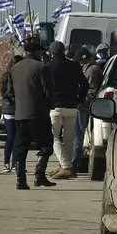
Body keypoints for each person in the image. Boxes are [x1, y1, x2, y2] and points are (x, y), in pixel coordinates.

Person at [10, 39, 56, 190]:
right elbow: (47, 90)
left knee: (20, 148)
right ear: (35, 52)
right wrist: (50, 105)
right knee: (46, 145)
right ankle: (39, 175)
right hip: (39, 114)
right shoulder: (41, 67)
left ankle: (20, 180)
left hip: (21, 114)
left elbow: (9, 92)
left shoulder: (14, 68)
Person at [46, 41, 88, 180]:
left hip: (55, 106)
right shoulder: (74, 66)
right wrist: (80, 99)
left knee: (53, 136)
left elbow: (45, 88)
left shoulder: (49, 67)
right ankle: (66, 167)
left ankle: (65, 166)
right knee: (69, 138)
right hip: (72, 106)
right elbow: (85, 85)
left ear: (51, 52)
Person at [72, 47, 102, 172]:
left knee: (78, 136)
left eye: (79, 61)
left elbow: (91, 91)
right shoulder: (90, 69)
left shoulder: (91, 70)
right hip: (85, 106)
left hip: (84, 107)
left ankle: (75, 164)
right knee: (79, 136)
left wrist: (79, 100)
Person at [0, 55, 23, 173]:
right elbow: (3, 93)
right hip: (9, 110)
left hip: (20, 109)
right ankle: (6, 162)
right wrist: (14, 99)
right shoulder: (6, 76)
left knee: (18, 138)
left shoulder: (22, 76)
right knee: (11, 136)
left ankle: (15, 163)